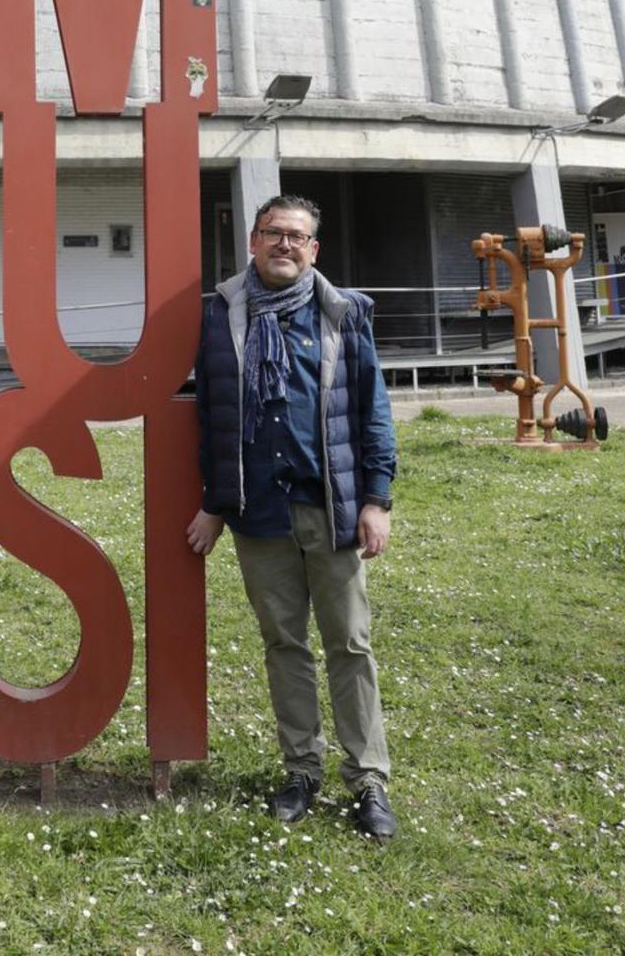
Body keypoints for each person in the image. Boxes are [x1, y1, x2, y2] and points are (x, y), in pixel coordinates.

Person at [187, 194, 398, 839]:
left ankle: (368, 780)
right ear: (252, 241)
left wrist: (376, 499)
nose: (284, 245)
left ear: (314, 250)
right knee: (285, 645)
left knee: (350, 644)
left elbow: (372, 410)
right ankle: (300, 769)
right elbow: (212, 418)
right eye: (273, 233)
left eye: (297, 237)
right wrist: (217, 505)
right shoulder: (219, 317)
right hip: (261, 514)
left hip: (329, 506)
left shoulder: (343, 315)